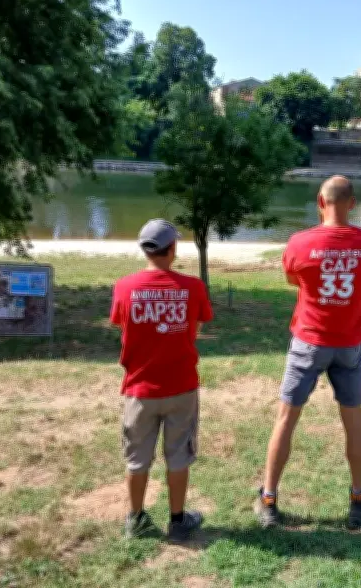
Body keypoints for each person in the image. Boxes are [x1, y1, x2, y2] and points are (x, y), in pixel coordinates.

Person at [255, 175, 361, 532]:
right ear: (352, 204)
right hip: (348, 343)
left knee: (286, 419)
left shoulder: (299, 243)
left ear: (319, 201)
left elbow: (292, 281)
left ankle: (269, 499)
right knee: (353, 420)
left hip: (309, 341)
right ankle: (357, 498)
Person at [110, 219, 213, 541]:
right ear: (173, 249)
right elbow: (197, 327)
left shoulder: (125, 287)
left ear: (144, 249)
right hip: (181, 386)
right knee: (178, 455)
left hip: (140, 389)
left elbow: (120, 325)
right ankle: (178, 520)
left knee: (137, 458)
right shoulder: (193, 287)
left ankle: (136, 518)